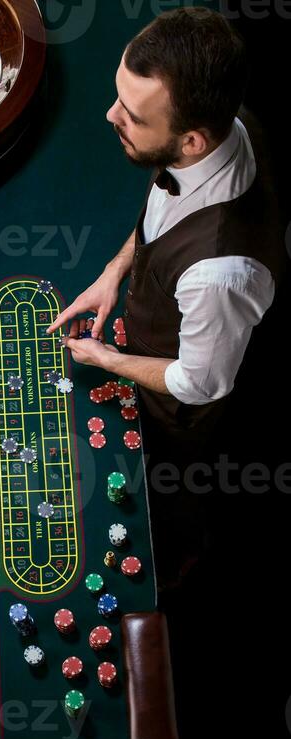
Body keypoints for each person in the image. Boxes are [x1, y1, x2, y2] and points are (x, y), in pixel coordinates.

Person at [48, 8, 282, 590]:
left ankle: (185, 559)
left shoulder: (220, 272)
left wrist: (106, 360)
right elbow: (164, 206)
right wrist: (113, 271)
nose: (109, 116)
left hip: (185, 411)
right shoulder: (225, 129)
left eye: (131, 115)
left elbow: (201, 383)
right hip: (165, 312)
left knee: (173, 485)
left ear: (191, 139)